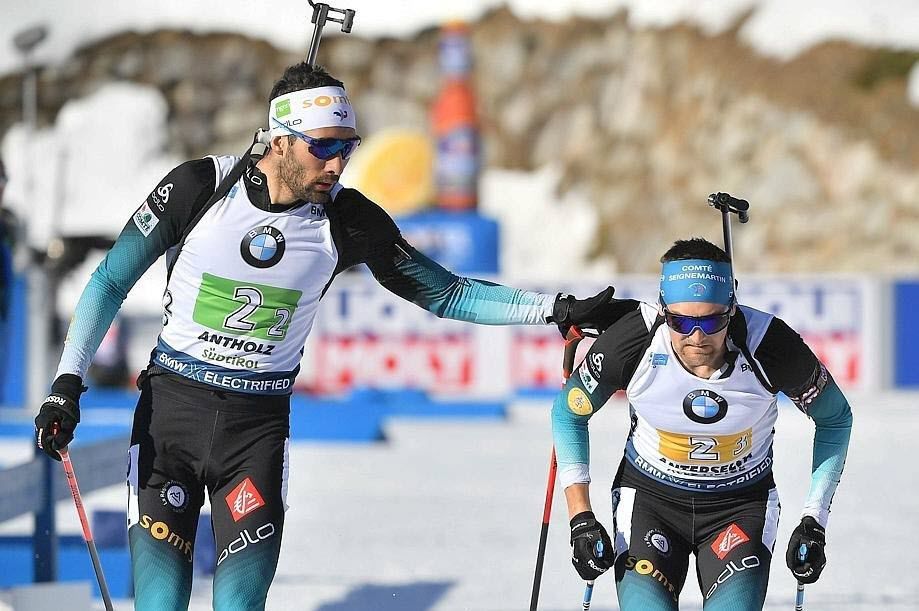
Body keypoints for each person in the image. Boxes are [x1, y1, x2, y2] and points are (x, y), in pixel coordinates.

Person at [32, 62, 623, 611]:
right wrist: (67, 383)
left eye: (348, 148)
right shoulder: (200, 187)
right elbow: (110, 279)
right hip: (171, 420)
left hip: (253, 434)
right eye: (325, 148)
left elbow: (448, 293)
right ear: (280, 139)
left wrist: (557, 308)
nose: (338, 165)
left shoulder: (347, 219)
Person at [552, 237, 852, 611]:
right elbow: (568, 414)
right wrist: (580, 517)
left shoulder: (770, 345)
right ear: (664, 310)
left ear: (732, 309)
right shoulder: (633, 342)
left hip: (739, 508)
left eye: (712, 321)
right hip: (650, 503)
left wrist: (814, 519)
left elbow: (836, 418)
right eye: (680, 321)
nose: (697, 337)